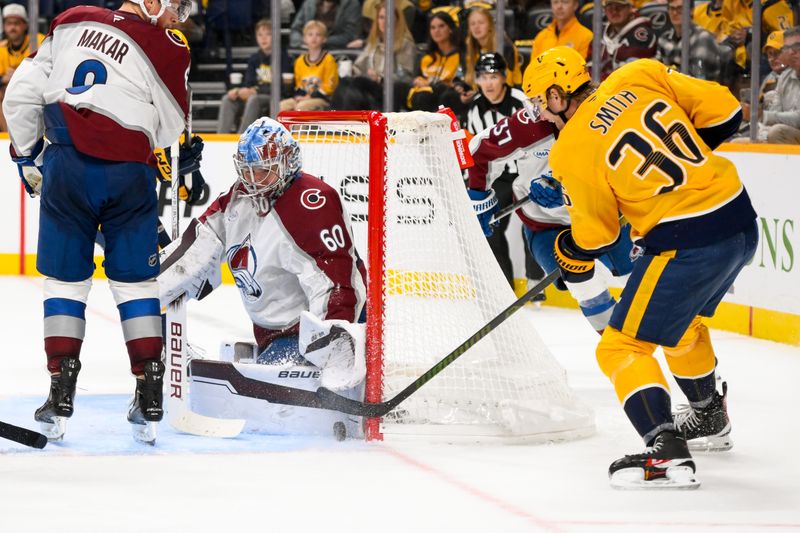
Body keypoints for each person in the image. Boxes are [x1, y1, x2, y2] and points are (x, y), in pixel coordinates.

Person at [524, 47, 757, 488]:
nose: (542, 115)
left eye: (541, 103)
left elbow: (597, 236)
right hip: (739, 220)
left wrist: (570, 245)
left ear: (557, 95)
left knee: (620, 348)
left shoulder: (571, 148)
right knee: (680, 326)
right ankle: (708, 418)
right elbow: (727, 111)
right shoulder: (639, 73)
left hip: (687, 243)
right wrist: (666, 181)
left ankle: (666, 450)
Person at [3, 0, 203, 444]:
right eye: (176, 9)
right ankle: (150, 396)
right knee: (136, 285)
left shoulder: (71, 19)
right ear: (151, 2)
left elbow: (19, 96)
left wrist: (27, 156)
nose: (178, 20)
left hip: (66, 164)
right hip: (130, 173)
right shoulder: (170, 45)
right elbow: (170, 128)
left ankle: (60, 393)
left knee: (64, 284)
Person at [158, 117, 367, 418]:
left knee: (261, 410)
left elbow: (335, 278)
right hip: (273, 334)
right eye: (247, 170)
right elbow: (200, 246)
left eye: (262, 170)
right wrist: (150, 290)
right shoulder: (238, 199)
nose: (253, 179)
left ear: (286, 163)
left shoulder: (312, 203)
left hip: (314, 335)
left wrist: (332, 342)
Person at [466, 57, 634, 333]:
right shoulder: (530, 124)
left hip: (602, 216)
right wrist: (479, 198)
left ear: (556, 96)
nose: (536, 110)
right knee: (584, 283)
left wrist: (567, 188)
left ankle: (686, 359)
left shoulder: (610, 117)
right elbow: (480, 148)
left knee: (644, 281)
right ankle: (619, 347)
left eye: (539, 101)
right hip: (545, 224)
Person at [465, 53, 529, 288]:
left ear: (504, 77)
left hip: (528, 171)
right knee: (489, 225)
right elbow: (472, 147)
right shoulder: (474, 108)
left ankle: (536, 278)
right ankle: (505, 289)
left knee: (535, 221)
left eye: (493, 76)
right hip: (499, 177)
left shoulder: (521, 101)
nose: (489, 83)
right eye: (483, 77)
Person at [217, 18, 290, 134]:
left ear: (275, 37)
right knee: (228, 99)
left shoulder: (284, 58)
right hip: (254, 94)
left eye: (268, 34)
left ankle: (242, 137)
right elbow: (248, 83)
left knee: (254, 99)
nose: (263, 38)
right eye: (260, 35)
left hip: (274, 98)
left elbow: (282, 87)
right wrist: (238, 91)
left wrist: (255, 90)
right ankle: (220, 138)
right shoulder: (254, 58)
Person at [348, 0, 417, 110]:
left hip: (391, 87)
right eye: (381, 17)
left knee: (358, 84)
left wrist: (380, 78)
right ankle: (341, 120)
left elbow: (405, 75)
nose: (384, 21)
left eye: (389, 17)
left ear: (397, 20)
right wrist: (348, 71)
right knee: (347, 83)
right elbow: (358, 67)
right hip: (371, 85)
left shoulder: (405, 44)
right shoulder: (374, 42)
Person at [742, 27, 800, 144]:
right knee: (737, 143)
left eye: (777, 53)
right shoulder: (784, 77)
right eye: (769, 54)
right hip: (778, 131)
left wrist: (761, 115)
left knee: (777, 132)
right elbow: (774, 111)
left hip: (785, 132)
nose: (792, 52)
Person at [461, 6, 522, 104]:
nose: (476, 27)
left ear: (490, 25)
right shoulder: (470, 48)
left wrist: (478, 94)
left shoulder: (503, 45)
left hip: (509, 94)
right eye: (472, 24)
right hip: (484, 93)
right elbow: (470, 79)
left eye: (481, 23)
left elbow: (505, 81)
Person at [0, 4, 45, 131]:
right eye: (9, 23)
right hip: (10, 93)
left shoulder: (39, 41)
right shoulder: (1, 48)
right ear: (4, 26)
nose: (12, 27)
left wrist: (17, 76)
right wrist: (3, 79)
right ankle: (8, 134)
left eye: (17, 23)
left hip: (33, 90)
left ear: (25, 25)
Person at [407, 11, 463, 112]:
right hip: (421, 94)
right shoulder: (425, 56)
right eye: (433, 28)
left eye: (441, 26)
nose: (436, 31)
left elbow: (459, 81)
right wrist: (418, 80)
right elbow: (417, 76)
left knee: (427, 96)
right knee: (399, 88)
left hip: (445, 95)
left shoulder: (461, 55)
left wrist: (431, 85)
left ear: (450, 29)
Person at [280, 20, 339, 112]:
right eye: (310, 34)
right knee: (281, 106)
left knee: (301, 107)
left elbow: (330, 87)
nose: (314, 38)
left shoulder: (328, 59)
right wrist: (301, 96)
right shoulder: (299, 61)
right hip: (303, 98)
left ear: (324, 39)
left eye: (318, 35)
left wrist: (310, 97)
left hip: (323, 99)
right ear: (304, 38)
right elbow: (299, 85)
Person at [657, 0, 722, 81]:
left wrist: (666, 73)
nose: (674, 13)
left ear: (691, 11)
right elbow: (656, 71)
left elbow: (698, 78)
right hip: (671, 88)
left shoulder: (703, 38)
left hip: (700, 91)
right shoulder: (664, 38)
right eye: (671, 8)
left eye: (680, 8)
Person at [594, 0, 657, 80]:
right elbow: (590, 64)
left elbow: (629, 72)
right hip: (607, 86)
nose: (614, 11)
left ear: (631, 8)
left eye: (619, 7)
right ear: (605, 10)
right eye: (610, 7)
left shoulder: (642, 33)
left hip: (635, 87)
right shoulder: (602, 31)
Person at [289, 0, 361, 49]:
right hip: (307, 52)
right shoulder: (309, 3)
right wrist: (303, 41)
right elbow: (295, 29)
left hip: (337, 53)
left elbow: (350, 35)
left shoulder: (351, 4)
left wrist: (321, 41)